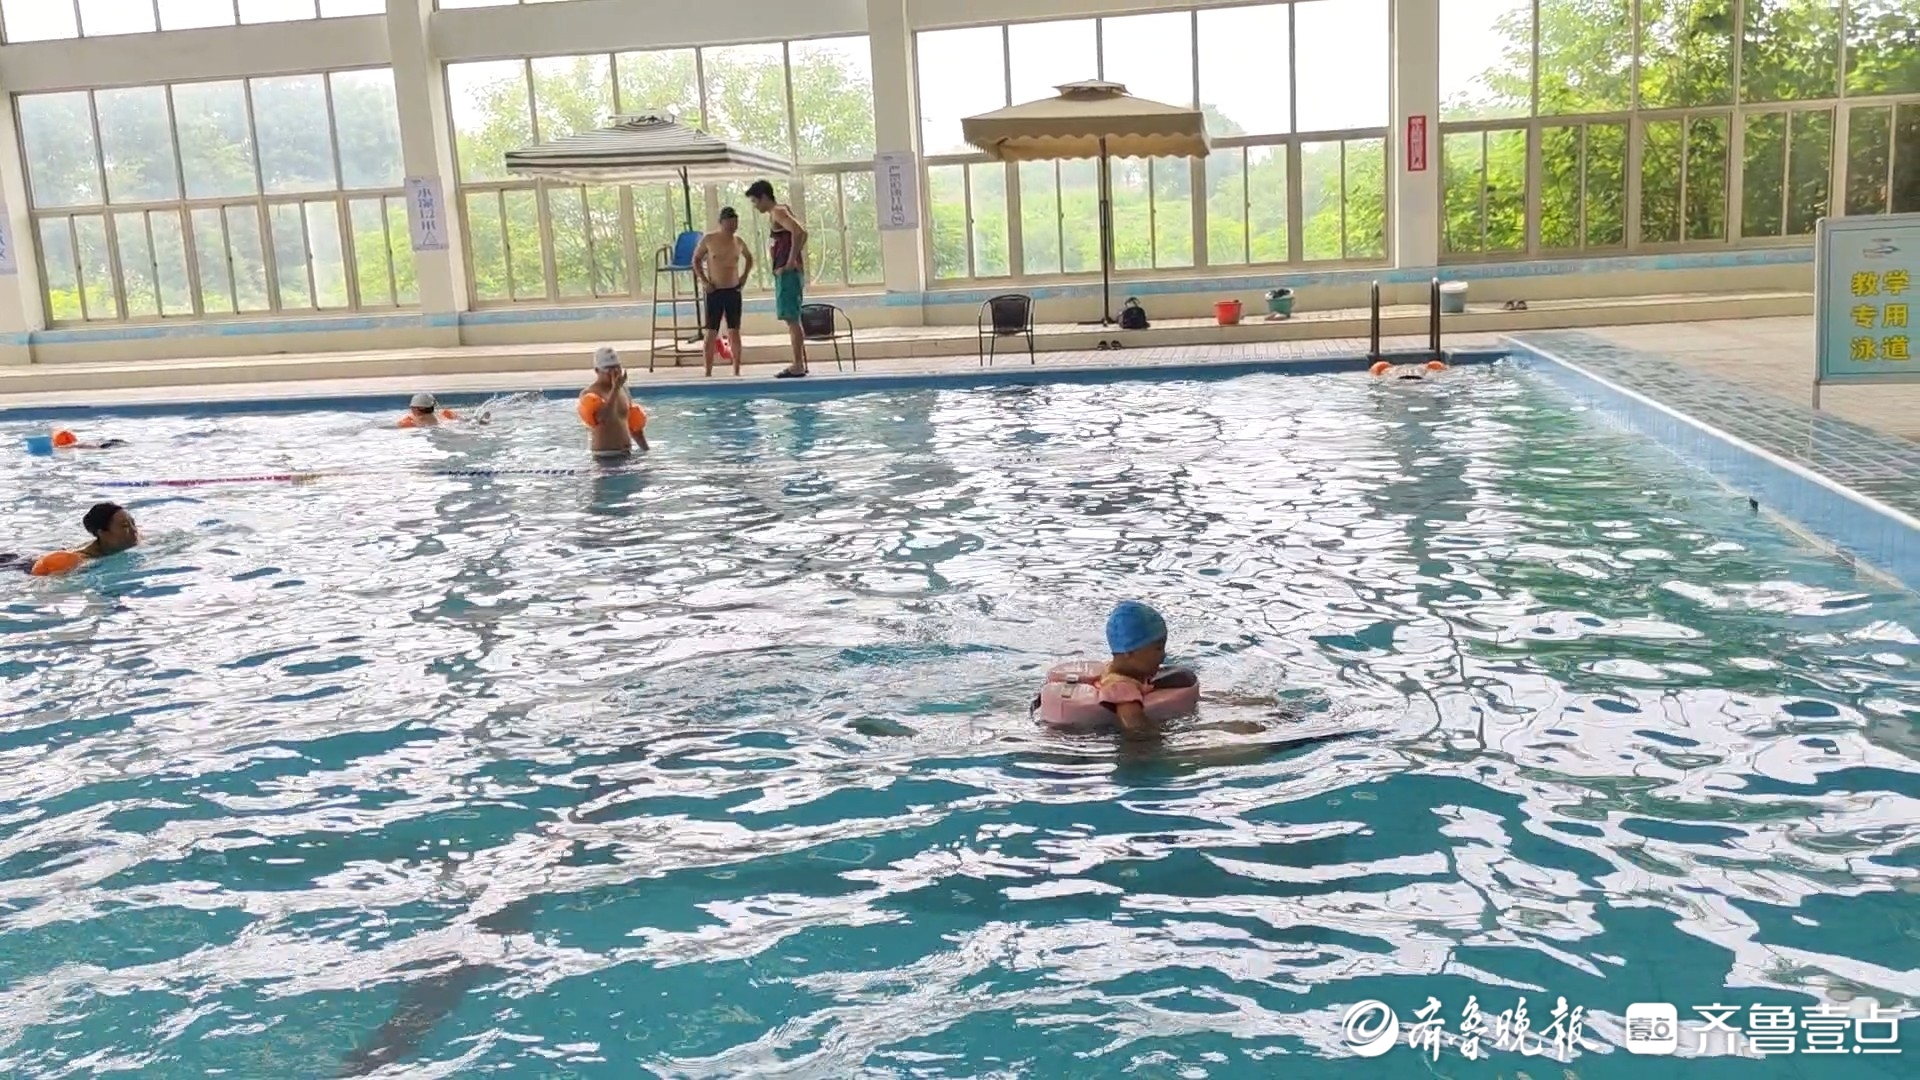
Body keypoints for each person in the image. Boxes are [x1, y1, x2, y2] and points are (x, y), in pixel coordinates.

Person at [746, 179, 810, 378]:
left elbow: (800, 232)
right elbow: (801, 233)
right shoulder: (782, 210)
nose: (755, 206)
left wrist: (790, 261)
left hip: (788, 273)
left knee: (792, 319)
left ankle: (798, 365)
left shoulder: (778, 212)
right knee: (793, 319)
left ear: (764, 197)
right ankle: (800, 363)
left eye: (755, 201)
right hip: (789, 272)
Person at [693, 207, 753, 377]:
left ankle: (736, 370)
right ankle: (708, 372)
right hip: (715, 291)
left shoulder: (738, 242)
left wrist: (744, 277)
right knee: (711, 332)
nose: (733, 225)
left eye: (735, 222)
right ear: (721, 222)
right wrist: (704, 281)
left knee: (734, 331)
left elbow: (749, 258)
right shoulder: (709, 239)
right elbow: (696, 260)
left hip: (733, 290)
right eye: (729, 222)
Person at [5, 502, 141, 577]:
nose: (134, 530)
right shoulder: (76, 561)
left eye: (133, 523)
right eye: (125, 526)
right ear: (102, 533)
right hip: (17, 565)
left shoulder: (129, 540)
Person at [577, 346, 649, 458]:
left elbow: (634, 427)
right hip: (605, 457)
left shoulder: (623, 389)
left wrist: (646, 451)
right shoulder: (589, 393)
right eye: (608, 369)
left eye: (617, 368)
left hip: (626, 454)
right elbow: (602, 418)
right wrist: (615, 390)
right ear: (597, 371)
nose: (614, 372)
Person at [51, 429, 127, 450]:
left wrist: (55, 446)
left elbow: (60, 446)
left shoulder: (70, 445)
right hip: (102, 443)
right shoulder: (78, 442)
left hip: (100, 446)